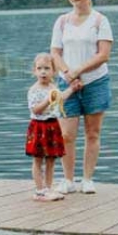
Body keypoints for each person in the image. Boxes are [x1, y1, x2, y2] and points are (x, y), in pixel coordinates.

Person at [50, 0, 113, 195]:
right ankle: (68, 179)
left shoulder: (99, 20)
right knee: (66, 134)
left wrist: (79, 70)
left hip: (95, 82)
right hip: (67, 84)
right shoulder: (62, 21)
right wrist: (67, 72)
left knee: (92, 133)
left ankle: (87, 179)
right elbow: (55, 52)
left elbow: (103, 55)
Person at [28, 53, 69, 202]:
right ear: (34, 71)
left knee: (51, 159)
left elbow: (60, 98)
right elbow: (35, 110)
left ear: (53, 71)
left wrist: (72, 89)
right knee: (38, 159)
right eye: (39, 68)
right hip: (39, 126)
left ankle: (48, 188)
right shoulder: (34, 89)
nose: (43, 72)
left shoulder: (54, 87)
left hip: (52, 125)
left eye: (47, 68)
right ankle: (39, 191)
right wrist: (47, 100)